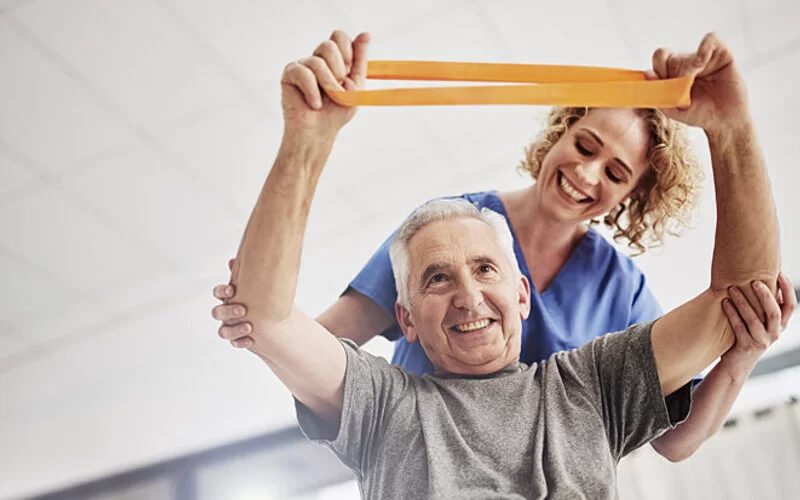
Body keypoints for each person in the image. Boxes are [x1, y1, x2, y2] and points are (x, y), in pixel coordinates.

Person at [214, 30, 794, 498]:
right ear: (406, 315)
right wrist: (306, 144)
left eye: (488, 270)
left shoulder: (592, 375)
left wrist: (732, 130)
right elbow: (289, 328)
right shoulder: (434, 246)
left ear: (521, 291)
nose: (468, 295)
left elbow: (732, 311)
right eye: (438, 277)